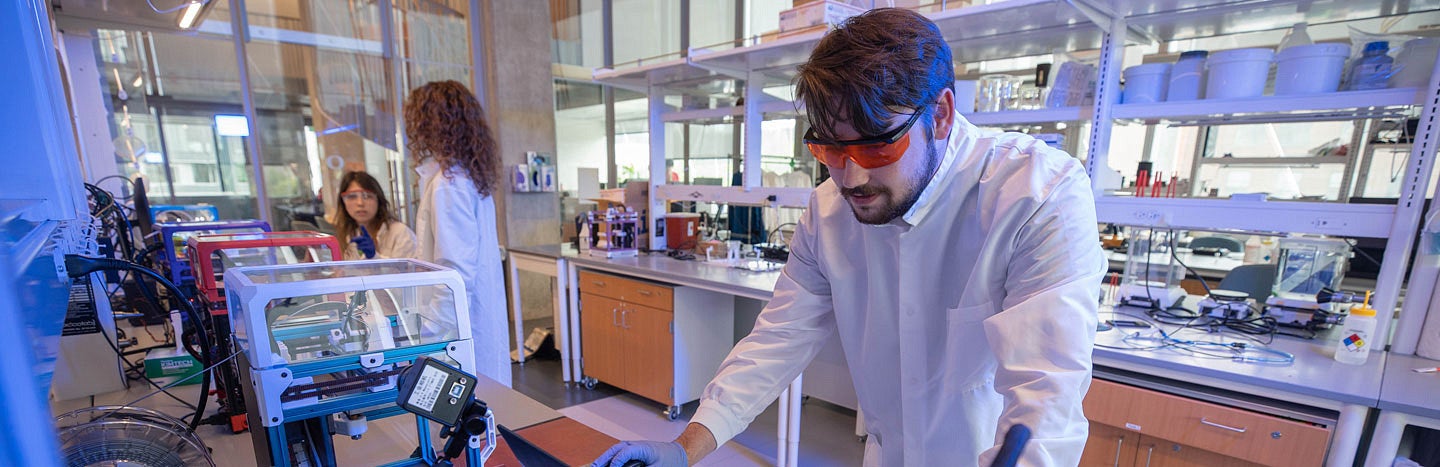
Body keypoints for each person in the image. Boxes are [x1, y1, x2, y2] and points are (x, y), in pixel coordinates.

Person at [593, 8, 1104, 467]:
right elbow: (776, 339)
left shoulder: (1036, 195)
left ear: (941, 116)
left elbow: (1046, 393)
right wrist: (685, 451)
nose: (851, 177)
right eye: (830, 149)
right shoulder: (828, 212)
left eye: (878, 147)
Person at [404, 80, 511, 387]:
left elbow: (456, 273)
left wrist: (433, 335)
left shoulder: (450, 184)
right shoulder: (466, 177)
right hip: (469, 321)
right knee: (484, 406)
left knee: (462, 409)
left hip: (457, 330)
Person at [333, 170, 416, 261]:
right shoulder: (349, 235)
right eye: (352, 196)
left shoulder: (400, 233)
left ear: (379, 200)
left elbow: (407, 271)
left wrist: (373, 256)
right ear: (343, 203)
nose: (360, 203)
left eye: (367, 196)